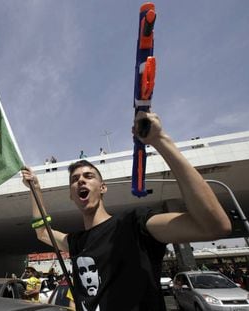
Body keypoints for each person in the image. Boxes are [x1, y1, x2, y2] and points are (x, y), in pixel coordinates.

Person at [21, 111, 231, 311]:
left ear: (103, 188)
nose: (81, 180)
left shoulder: (134, 225)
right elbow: (42, 232)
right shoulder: (77, 243)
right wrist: (35, 190)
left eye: (88, 176)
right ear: (71, 194)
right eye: (75, 179)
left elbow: (214, 226)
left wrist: (160, 141)